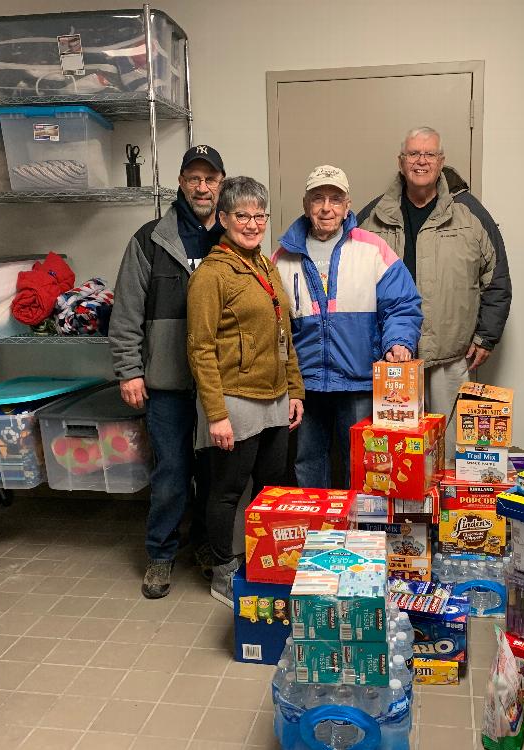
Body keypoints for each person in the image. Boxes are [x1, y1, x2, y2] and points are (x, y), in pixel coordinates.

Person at [109, 144, 227, 599]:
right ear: (180, 182)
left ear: (221, 183)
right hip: (168, 384)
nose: (202, 187)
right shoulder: (149, 239)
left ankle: (205, 547)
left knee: (216, 475)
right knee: (172, 473)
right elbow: (126, 314)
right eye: (193, 178)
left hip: (220, 385)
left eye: (210, 179)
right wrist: (129, 371)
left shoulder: (235, 236)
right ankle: (160, 554)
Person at [186, 176, 305, 606]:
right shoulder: (212, 275)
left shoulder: (265, 265)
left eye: (259, 215)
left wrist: (296, 390)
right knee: (226, 491)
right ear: (223, 218)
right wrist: (216, 414)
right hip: (235, 401)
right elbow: (199, 348)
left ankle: (267, 562)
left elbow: (282, 334)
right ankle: (223, 571)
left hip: (274, 397)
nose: (252, 224)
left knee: (272, 486)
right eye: (242, 215)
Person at [357, 126, 512, 443]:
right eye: (413, 153)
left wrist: (486, 336)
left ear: (441, 161)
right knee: (394, 450)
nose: (421, 161)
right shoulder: (371, 217)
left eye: (429, 154)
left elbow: (497, 277)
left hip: (449, 358)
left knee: (451, 448)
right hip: (390, 361)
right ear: (401, 161)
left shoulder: (470, 214)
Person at [273, 165, 422, 489]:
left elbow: (401, 304)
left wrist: (398, 342)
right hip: (306, 387)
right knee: (307, 464)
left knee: (364, 466)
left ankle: (358, 538)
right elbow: (272, 324)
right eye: (318, 198)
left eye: (335, 199)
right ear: (305, 204)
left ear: (347, 205)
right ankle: (317, 533)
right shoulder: (282, 258)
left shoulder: (374, 250)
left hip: (358, 383)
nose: (326, 207)